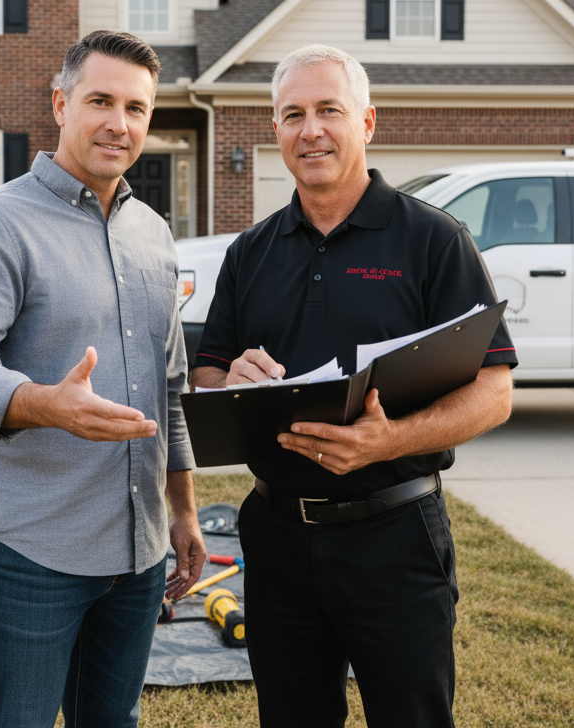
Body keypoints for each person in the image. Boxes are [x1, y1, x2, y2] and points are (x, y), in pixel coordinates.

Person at [189, 44, 515, 728]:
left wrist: (390, 439)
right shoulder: (250, 252)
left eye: (328, 110)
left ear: (366, 122)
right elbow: (207, 372)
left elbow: (493, 391)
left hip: (393, 535)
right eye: (292, 114)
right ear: (275, 131)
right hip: (278, 535)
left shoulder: (433, 241)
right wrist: (230, 378)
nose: (311, 130)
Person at [0, 29, 206, 728]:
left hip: (139, 551)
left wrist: (184, 513)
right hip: (33, 546)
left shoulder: (153, 233)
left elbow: (168, 389)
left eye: (137, 108)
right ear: (60, 103)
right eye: (101, 100)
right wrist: (44, 404)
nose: (119, 122)